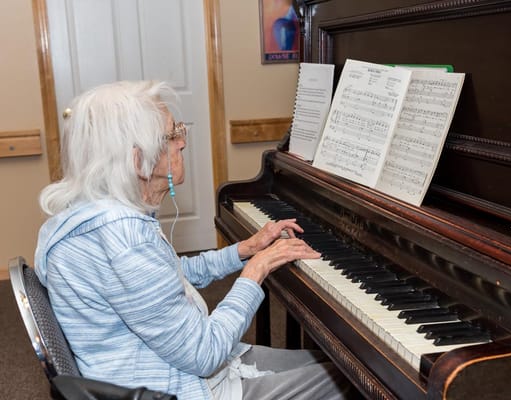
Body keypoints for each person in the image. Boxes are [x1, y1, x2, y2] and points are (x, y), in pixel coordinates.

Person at [34, 81, 359, 400]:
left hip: (170, 368)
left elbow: (171, 276)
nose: (182, 142)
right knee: (357, 382)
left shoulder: (94, 215)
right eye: (172, 135)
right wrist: (255, 272)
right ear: (138, 161)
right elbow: (206, 355)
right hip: (181, 387)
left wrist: (244, 251)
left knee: (343, 367)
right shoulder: (123, 240)